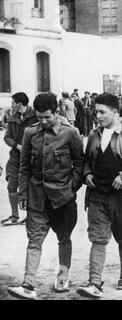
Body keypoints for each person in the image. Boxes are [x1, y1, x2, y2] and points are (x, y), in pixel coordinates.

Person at [8, 93, 84, 300]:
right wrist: (22, 193)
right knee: (34, 241)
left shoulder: (71, 133)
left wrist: (71, 188)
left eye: (47, 117)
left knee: (64, 238)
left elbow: (80, 163)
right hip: (37, 197)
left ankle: (63, 276)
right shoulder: (30, 133)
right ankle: (29, 284)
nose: (42, 121)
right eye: (39, 117)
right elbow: (24, 166)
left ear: (57, 113)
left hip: (63, 198)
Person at [76, 93, 122, 299]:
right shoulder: (93, 136)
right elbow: (85, 161)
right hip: (97, 196)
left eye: (102, 112)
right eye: (96, 111)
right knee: (98, 239)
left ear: (115, 113)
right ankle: (94, 282)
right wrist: (87, 173)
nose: (97, 115)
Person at [2, 93, 38, 226]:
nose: (11, 105)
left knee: (31, 186)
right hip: (15, 157)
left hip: (31, 158)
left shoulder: (35, 116)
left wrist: (29, 148)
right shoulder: (12, 118)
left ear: (20, 104)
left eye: (13, 102)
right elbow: (7, 137)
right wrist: (17, 146)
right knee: (11, 184)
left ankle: (31, 216)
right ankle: (14, 215)